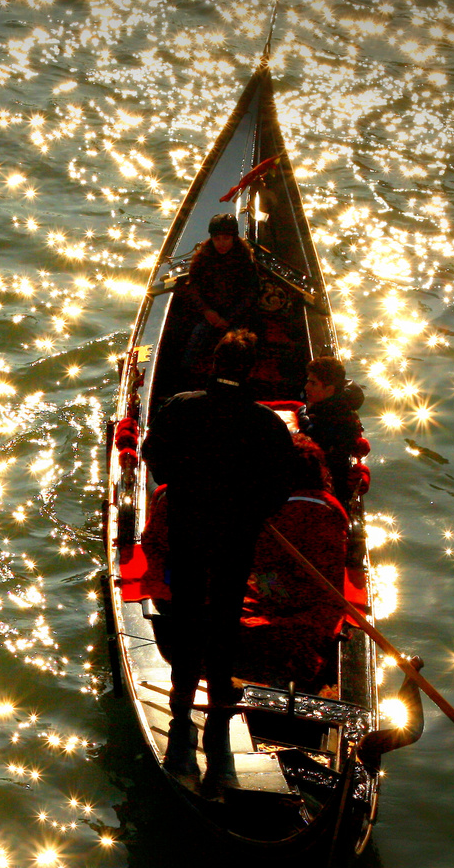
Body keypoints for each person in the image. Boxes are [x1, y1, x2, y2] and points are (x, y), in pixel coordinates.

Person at [141, 329, 295, 796]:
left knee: (187, 623)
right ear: (250, 371)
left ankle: (181, 735)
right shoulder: (268, 425)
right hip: (235, 540)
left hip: (189, 531)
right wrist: (250, 511)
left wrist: (186, 486)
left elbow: (154, 456)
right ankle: (219, 746)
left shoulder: (181, 406)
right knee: (224, 629)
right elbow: (280, 488)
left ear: (213, 364)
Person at [237, 435, 349, 691]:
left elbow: (263, 564)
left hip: (285, 595)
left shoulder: (276, 510)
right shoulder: (333, 507)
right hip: (324, 598)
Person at [176, 213, 261, 379]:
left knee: (241, 344)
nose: (221, 243)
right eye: (217, 239)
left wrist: (228, 318)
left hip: (237, 314)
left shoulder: (245, 260)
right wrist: (207, 311)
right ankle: (185, 375)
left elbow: (250, 294)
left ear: (234, 238)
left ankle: (242, 377)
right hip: (209, 313)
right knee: (196, 335)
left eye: (226, 238)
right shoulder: (202, 258)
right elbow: (193, 287)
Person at [299, 356, 368, 510]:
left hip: (325, 487)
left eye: (313, 383)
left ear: (329, 389)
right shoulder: (336, 406)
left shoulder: (330, 422)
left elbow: (310, 431)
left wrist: (302, 412)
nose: (306, 387)